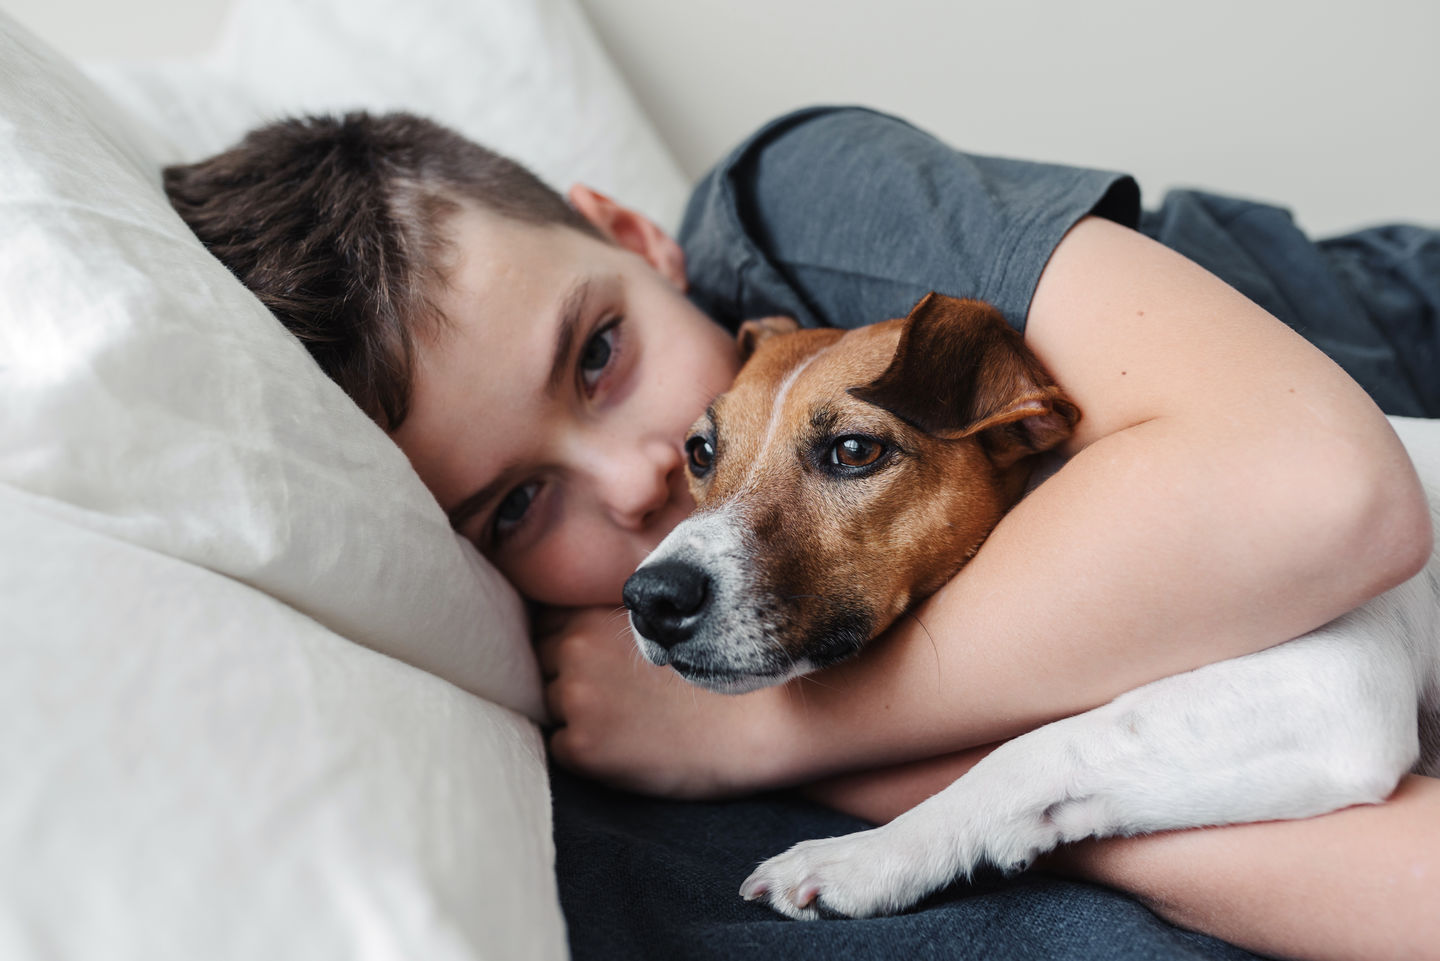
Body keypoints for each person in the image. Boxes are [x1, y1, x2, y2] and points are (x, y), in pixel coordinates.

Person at [164, 106, 1440, 961]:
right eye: (512, 506)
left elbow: (1334, 531)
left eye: (599, 353)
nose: (646, 483)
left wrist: (770, 740)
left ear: (632, 239)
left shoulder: (812, 216)